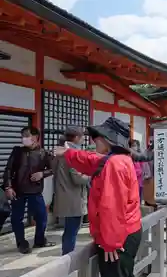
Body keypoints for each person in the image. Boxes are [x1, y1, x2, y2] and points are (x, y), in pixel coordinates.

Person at [53, 117, 142, 277]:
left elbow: (112, 206)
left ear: (108, 139)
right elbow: (89, 160)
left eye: (97, 137)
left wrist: (111, 243)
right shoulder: (116, 159)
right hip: (125, 231)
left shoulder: (114, 164)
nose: (94, 141)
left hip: (118, 238)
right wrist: (69, 153)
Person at [3, 126, 55, 254]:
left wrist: (42, 174)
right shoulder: (17, 152)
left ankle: (40, 240)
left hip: (35, 191)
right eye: (23, 136)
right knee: (16, 218)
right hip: (18, 191)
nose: (24, 139)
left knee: (42, 216)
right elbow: (8, 170)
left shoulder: (44, 153)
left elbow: (53, 168)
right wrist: (8, 186)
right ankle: (22, 243)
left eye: (26, 136)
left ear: (36, 137)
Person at [53, 126, 89, 255]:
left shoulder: (60, 151)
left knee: (69, 229)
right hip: (73, 197)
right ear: (76, 138)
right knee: (72, 230)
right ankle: (68, 258)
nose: (84, 138)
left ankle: (66, 254)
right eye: (82, 136)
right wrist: (92, 174)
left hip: (64, 194)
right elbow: (78, 178)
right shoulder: (72, 153)